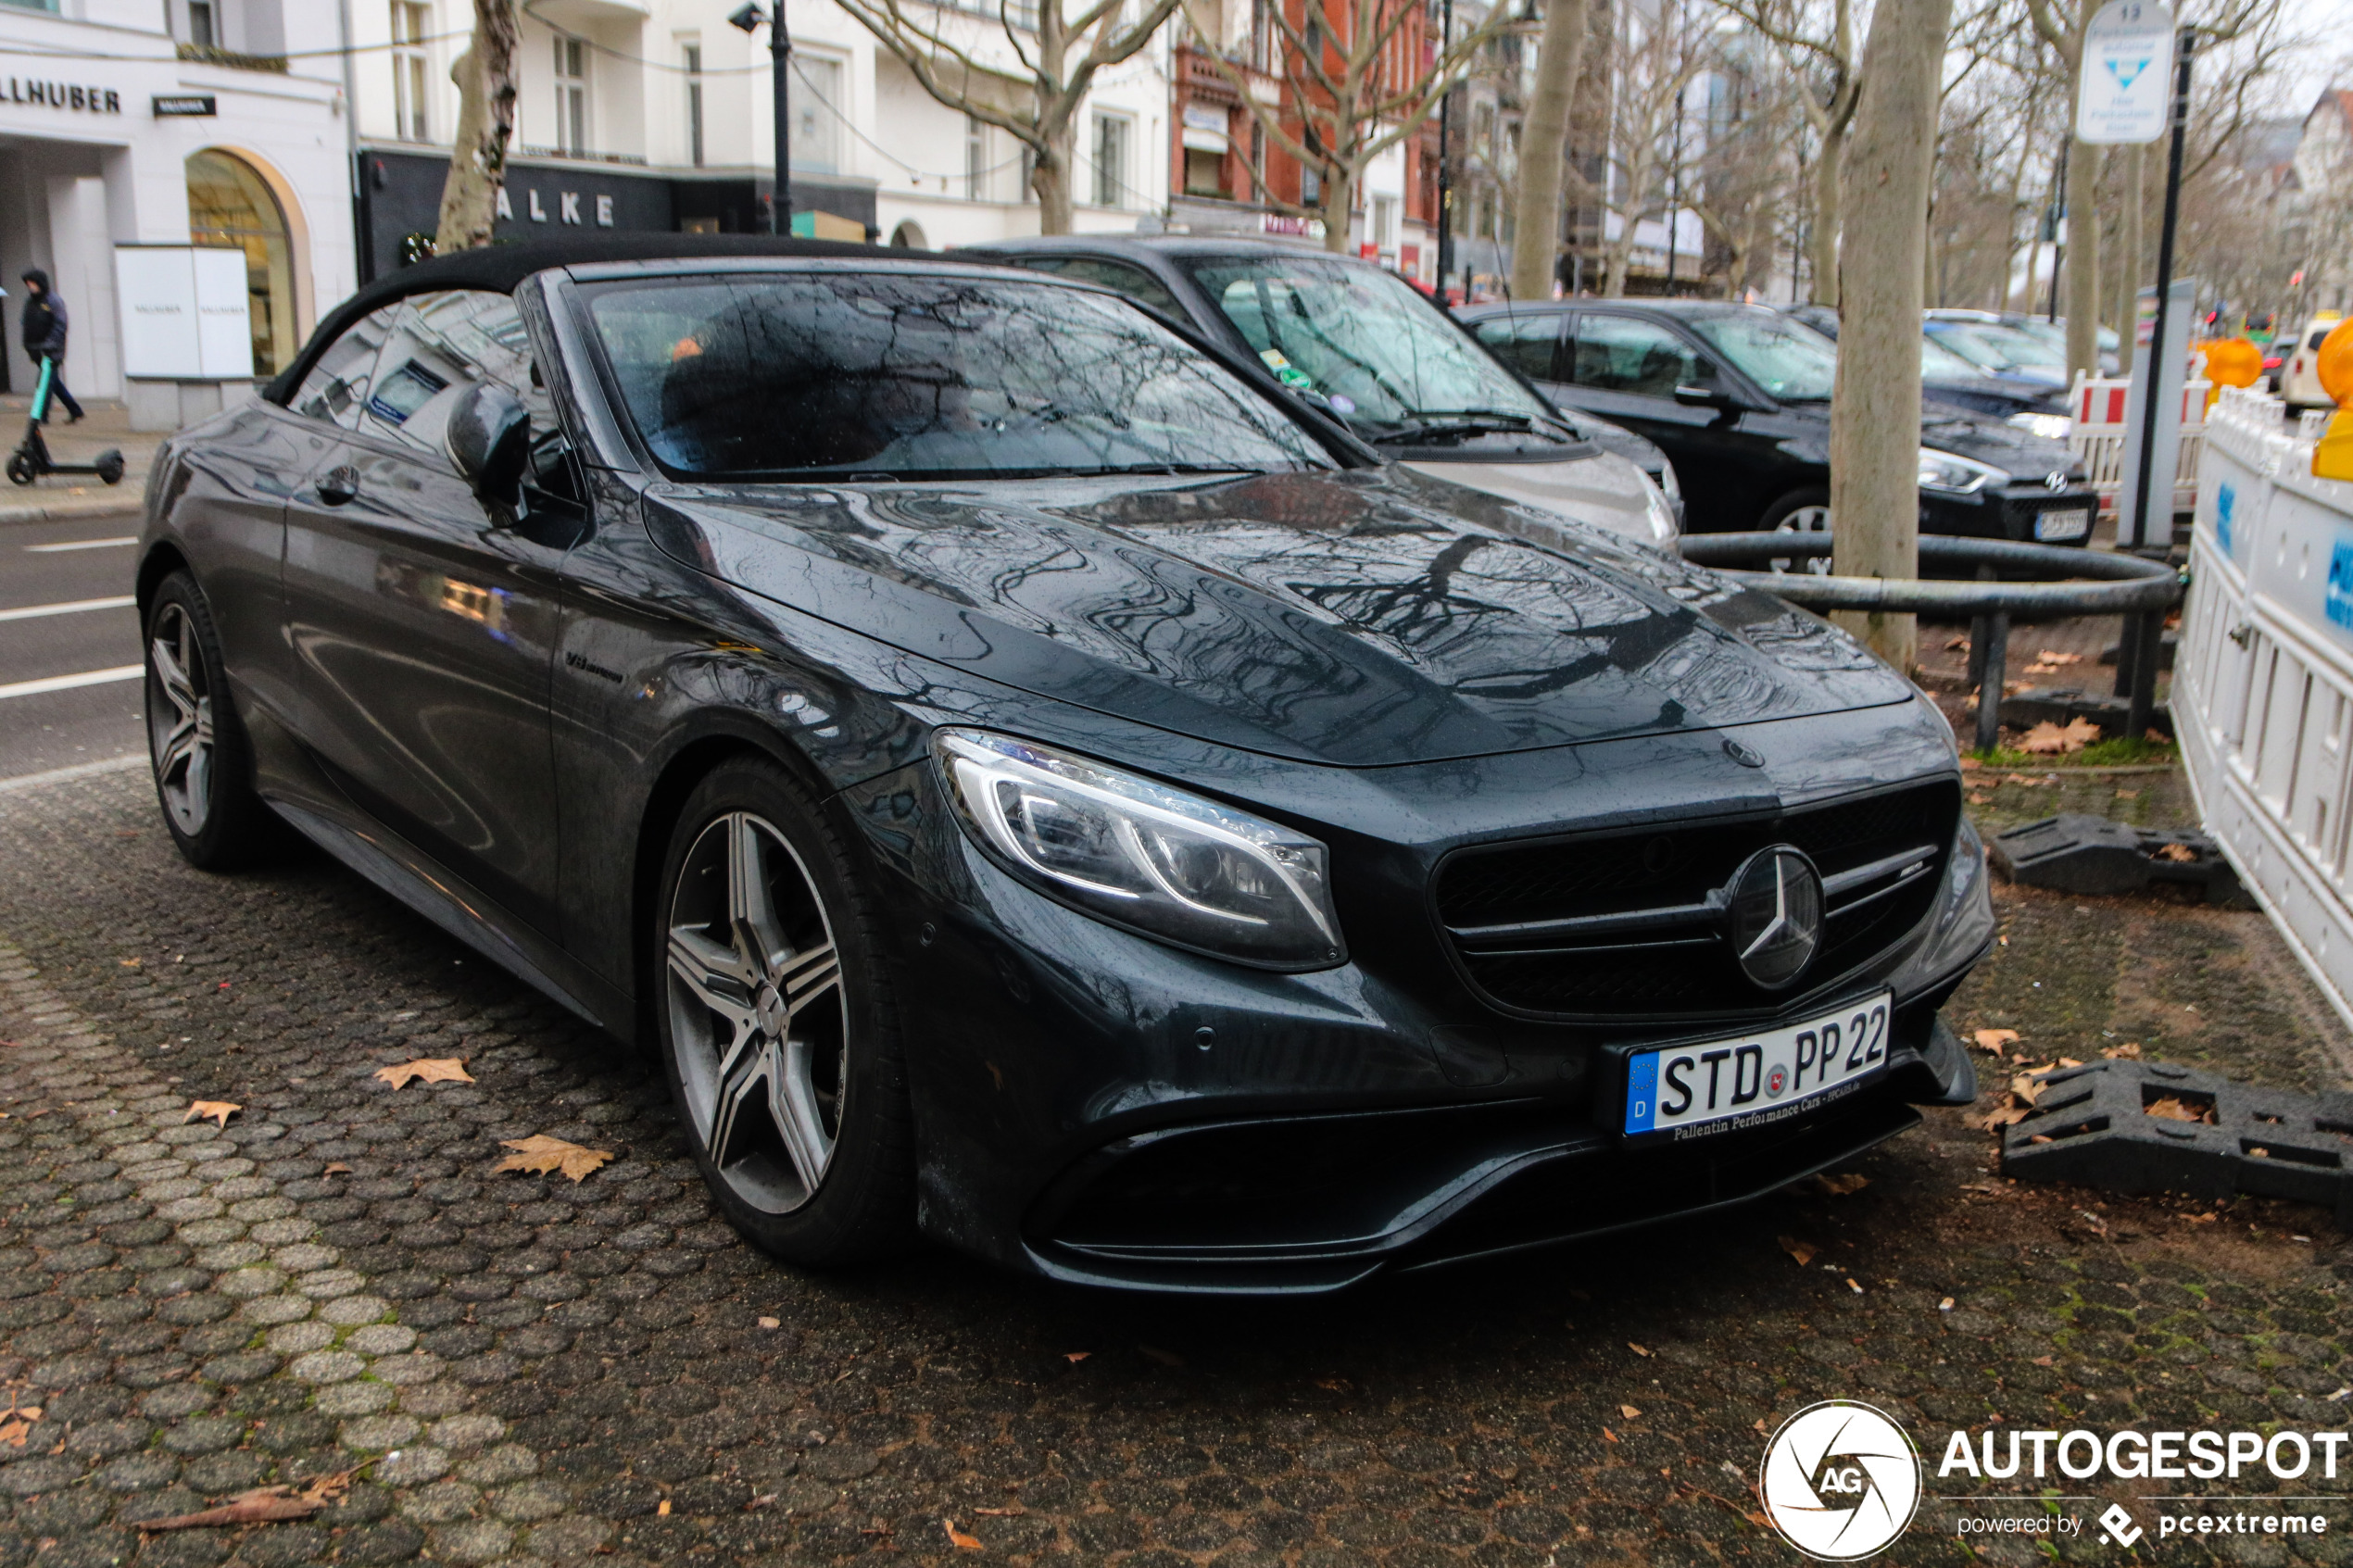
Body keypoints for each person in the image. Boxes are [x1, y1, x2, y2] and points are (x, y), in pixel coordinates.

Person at [19, 270, 82, 424]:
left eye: (33, 283)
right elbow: (25, 322)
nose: (31, 287)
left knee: (44, 383)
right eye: (29, 284)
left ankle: (41, 416)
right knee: (52, 382)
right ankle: (75, 410)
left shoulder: (54, 301)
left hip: (51, 351)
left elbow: (60, 325)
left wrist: (50, 344)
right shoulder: (30, 301)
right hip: (36, 349)